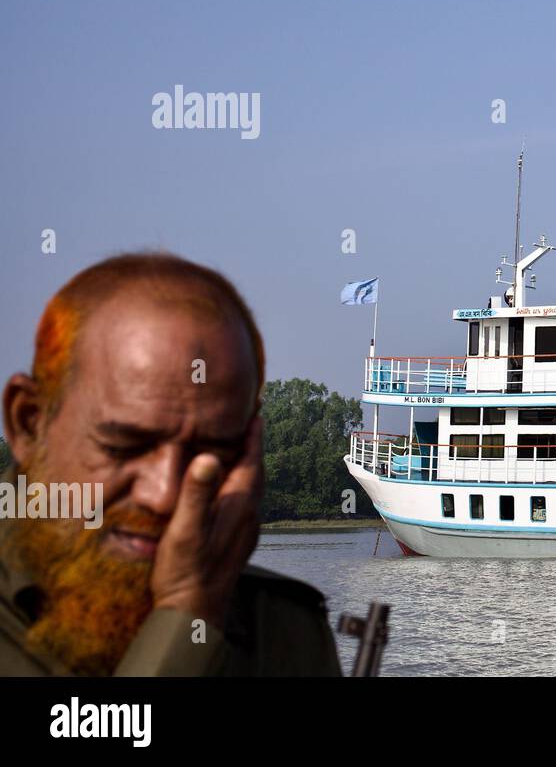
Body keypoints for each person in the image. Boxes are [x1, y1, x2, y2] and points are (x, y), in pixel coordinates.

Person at [0, 253, 341, 675]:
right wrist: (187, 614)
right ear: (28, 424)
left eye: (211, 454)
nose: (164, 496)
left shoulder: (284, 632)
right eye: (123, 446)